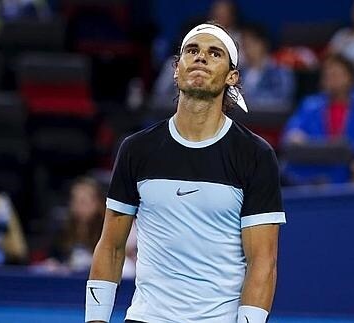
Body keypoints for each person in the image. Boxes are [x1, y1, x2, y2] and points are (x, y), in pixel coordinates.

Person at [86, 22, 286, 323]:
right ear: (176, 69)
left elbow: (263, 262)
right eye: (192, 51)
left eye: (214, 53)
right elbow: (111, 246)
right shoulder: (136, 149)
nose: (201, 58)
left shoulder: (255, 155)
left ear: (232, 77)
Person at [281, 54, 354, 183]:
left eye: (336, 75)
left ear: (350, 78)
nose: (331, 79)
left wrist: (346, 151)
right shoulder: (311, 105)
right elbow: (292, 131)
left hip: (347, 166)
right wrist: (294, 135)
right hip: (314, 166)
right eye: (327, 75)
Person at [240, 23, 295, 111]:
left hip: (268, 121)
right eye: (244, 44)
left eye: (250, 43)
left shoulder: (280, 71)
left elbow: (283, 100)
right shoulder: (239, 72)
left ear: (263, 44)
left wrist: (248, 100)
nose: (247, 48)